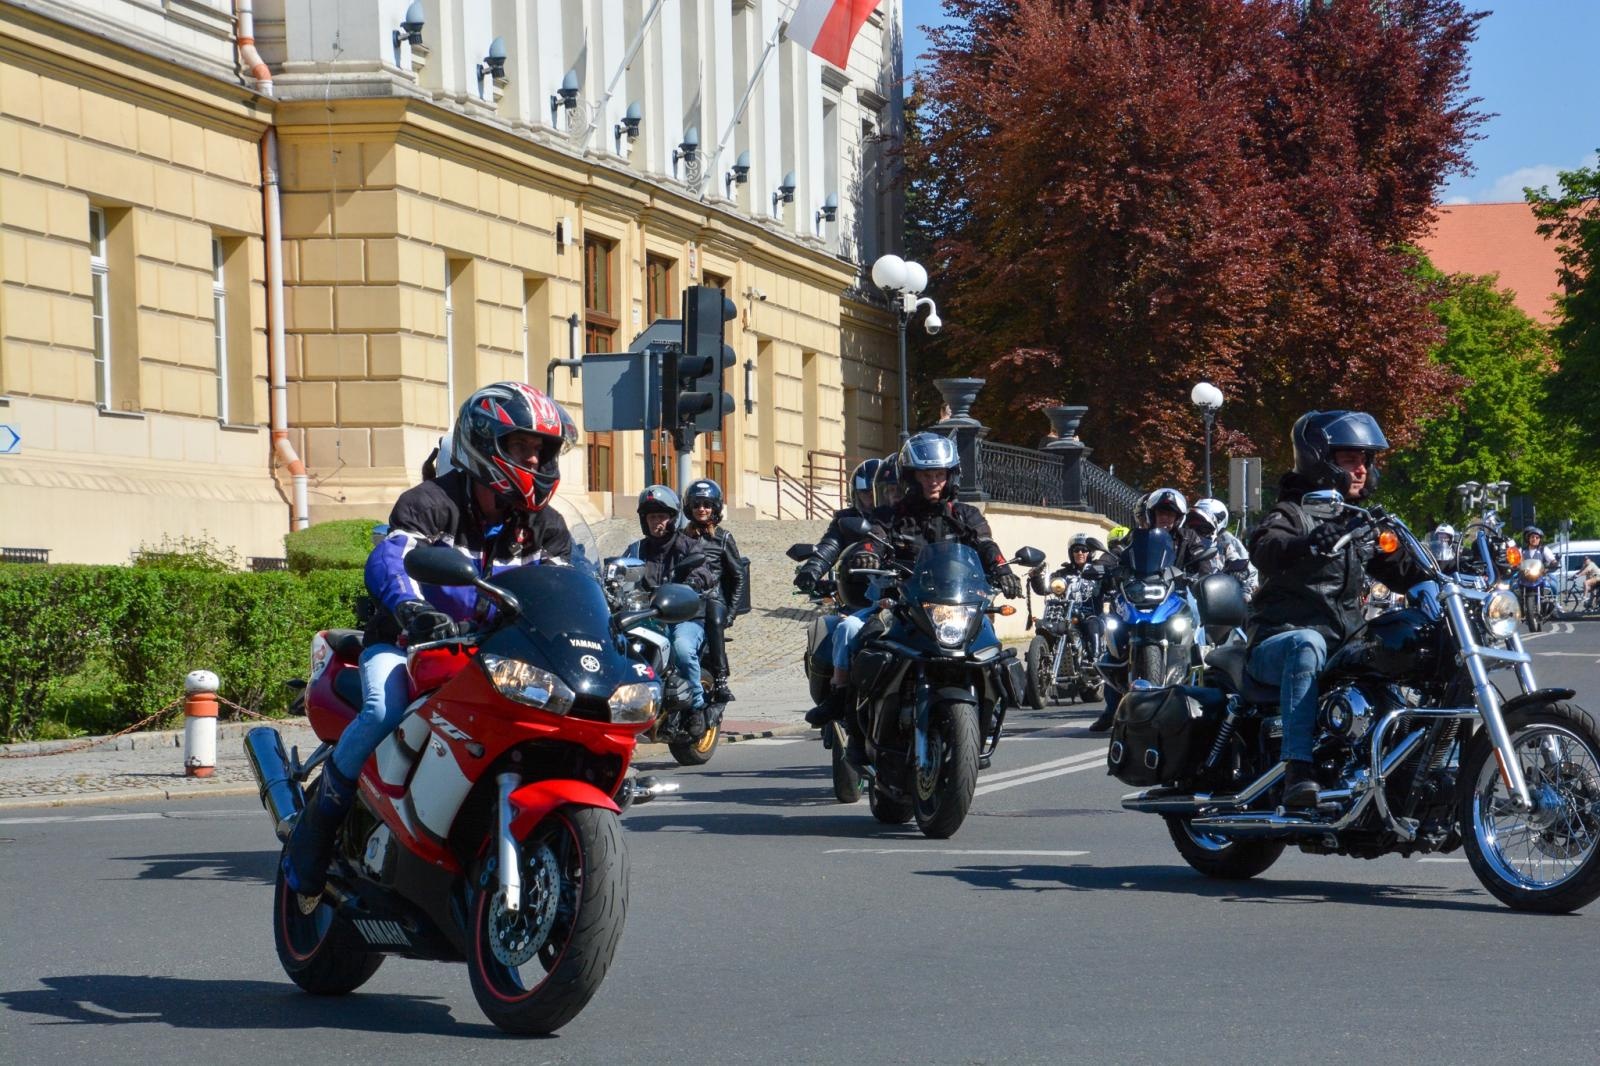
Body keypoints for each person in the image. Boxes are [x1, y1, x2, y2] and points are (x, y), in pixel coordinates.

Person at [284, 382, 575, 896]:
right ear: (485, 444)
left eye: (541, 449)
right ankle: (317, 827)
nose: (534, 458)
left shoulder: (545, 526)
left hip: (491, 653)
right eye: (521, 446)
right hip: (409, 645)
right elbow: (391, 556)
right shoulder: (433, 501)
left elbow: (567, 586)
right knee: (382, 708)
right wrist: (410, 608)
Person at [807, 433, 1023, 762]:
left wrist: (1003, 570)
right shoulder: (892, 516)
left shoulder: (967, 516)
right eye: (926, 474)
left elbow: (986, 545)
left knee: (991, 648)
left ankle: (987, 718)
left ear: (951, 475)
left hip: (955, 604)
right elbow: (873, 540)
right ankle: (851, 721)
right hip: (901, 604)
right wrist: (867, 556)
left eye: (939, 474)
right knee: (863, 640)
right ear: (912, 477)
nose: (934, 481)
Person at [1245, 410, 1422, 808]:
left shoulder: (1357, 522)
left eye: (1365, 459)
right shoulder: (1289, 514)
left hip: (1342, 642)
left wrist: (1442, 579)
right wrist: (1306, 544)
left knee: (1407, 644)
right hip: (1279, 639)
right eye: (1348, 459)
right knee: (1306, 644)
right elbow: (1265, 549)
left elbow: (1403, 569)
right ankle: (1298, 771)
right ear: (1320, 459)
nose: (1360, 469)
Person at [625, 485, 720, 735]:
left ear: (672, 518)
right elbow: (621, 571)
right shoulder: (636, 549)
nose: (657, 522)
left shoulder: (688, 546)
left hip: (684, 615)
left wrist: (691, 582)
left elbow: (703, 571)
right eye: (652, 517)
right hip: (647, 616)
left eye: (661, 516)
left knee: (682, 649)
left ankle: (697, 708)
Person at [683, 478, 745, 704]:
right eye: (697, 504)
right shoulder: (683, 536)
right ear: (689, 507)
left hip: (713, 597)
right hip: (688, 598)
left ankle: (720, 680)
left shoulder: (723, 537)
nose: (701, 509)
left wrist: (731, 612)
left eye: (706, 505)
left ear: (715, 508)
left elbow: (738, 576)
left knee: (714, 620)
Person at [793, 457, 881, 594]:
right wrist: (813, 567)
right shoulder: (846, 518)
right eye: (866, 494)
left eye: (876, 494)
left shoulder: (899, 518)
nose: (872, 500)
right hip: (855, 583)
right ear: (855, 494)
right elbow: (831, 544)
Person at [1185, 497, 1259, 599]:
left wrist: (1243, 591)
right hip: (1183, 599)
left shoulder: (1225, 544)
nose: (1195, 533)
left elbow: (1246, 570)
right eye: (1191, 528)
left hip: (1216, 598)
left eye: (1202, 528)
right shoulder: (1181, 543)